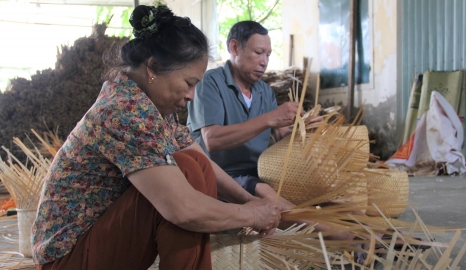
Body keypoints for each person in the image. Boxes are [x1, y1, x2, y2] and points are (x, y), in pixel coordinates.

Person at [31, 5, 282, 270]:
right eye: (189, 83)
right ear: (153, 67)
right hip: (68, 258)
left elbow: (195, 152)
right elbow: (182, 209)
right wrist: (251, 215)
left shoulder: (148, 104)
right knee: (186, 174)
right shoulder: (125, 110)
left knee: (197, 167)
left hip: (95, 244)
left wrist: (247, 199)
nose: (192, 96)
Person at [187, 21, 300, 211]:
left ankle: (349, 230)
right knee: (270, 197)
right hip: (221, 175)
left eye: (268, 55)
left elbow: (282, 137)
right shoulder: (210, 83)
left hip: (259, 173)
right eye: (258, 52)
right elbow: (212, 140)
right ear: (234, 47)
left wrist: (305, 132)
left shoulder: (265, 91)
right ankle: (340, 236)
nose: (264, 61)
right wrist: (269, 119)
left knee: (311, 190)